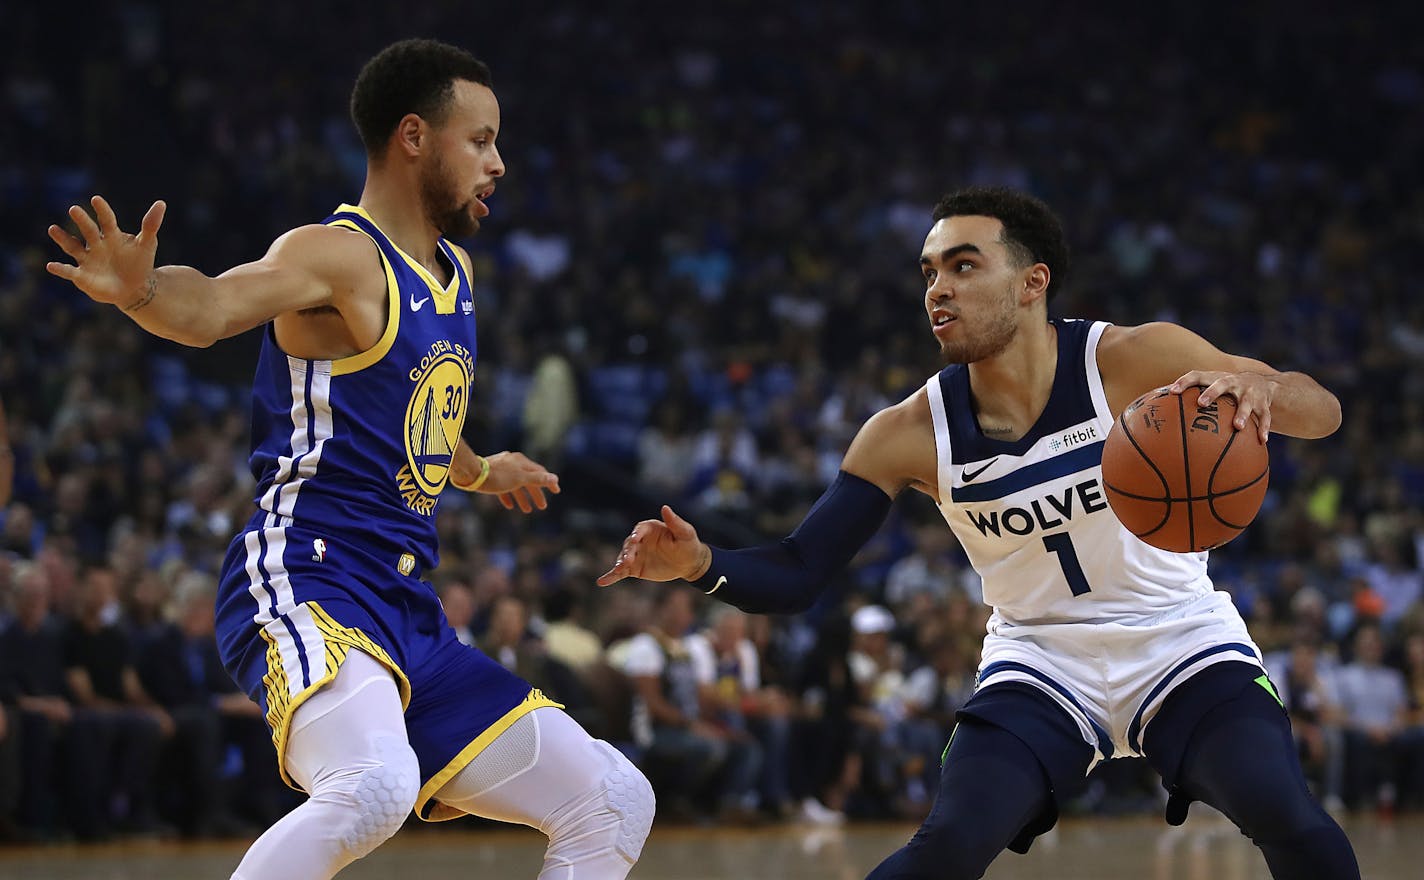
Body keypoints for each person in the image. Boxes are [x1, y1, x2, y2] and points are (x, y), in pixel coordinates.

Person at [599, 187, 1358, 878]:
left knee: (1291, 821)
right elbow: (800, 570)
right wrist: (701, 563)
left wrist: (1265, 388)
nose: (939, 288)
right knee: (947, 847)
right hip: (1041, 659)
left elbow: (1321, 412)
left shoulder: (1133, 359)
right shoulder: (906, 432)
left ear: (1034, 283)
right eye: (929, 272)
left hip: (1179, 638)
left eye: (963, 266)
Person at [47, 38, 653, 880]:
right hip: (308, 576)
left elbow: (414, 414)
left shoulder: (457, 270)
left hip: (404, 607)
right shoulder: (336, 254)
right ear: (414, 136)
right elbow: (215, 306)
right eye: (479, 140)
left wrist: (478, 470)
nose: (499, 163)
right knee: (374, 783)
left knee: (615, 797)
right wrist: (142, 292)